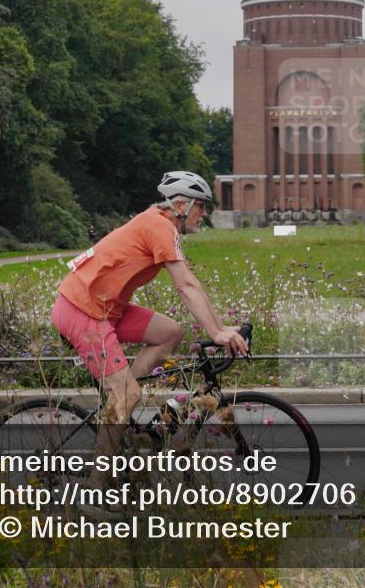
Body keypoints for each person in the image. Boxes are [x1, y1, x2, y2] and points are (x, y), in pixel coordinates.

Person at [51, 171, 248, 489]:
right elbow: (183, 286)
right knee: (127, 394)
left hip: (104, 308)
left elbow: (192, 282)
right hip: (81, 311)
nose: (205, 213)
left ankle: (120, 405)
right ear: (181, 205)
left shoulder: (160, 224)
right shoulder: (160, 225)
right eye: (201, 206)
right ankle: (94, 490)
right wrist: (218, 332)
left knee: (170, 332)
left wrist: (219, 328)